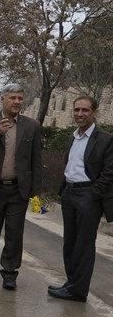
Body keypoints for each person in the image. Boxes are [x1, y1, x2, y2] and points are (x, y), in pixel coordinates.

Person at [0, 83, 43, 290]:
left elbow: (36, 160)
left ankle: (10, 273)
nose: (17, 102)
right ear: (2, 99)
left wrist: (35, 191)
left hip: (18, 189)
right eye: (13, 98)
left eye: (20, 99)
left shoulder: (31, 126)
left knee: (15, 233)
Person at [48, 96, 113, 302]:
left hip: (88, 196)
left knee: (84, 245)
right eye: (76, 110)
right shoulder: (73, 136)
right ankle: (72, 283)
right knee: (70, 242)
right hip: (69, 193)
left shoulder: (105, 139)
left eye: (85, 110)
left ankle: (78, 291)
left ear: (94, 113)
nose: (79, 114)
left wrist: (94, 193)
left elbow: (110, 171)